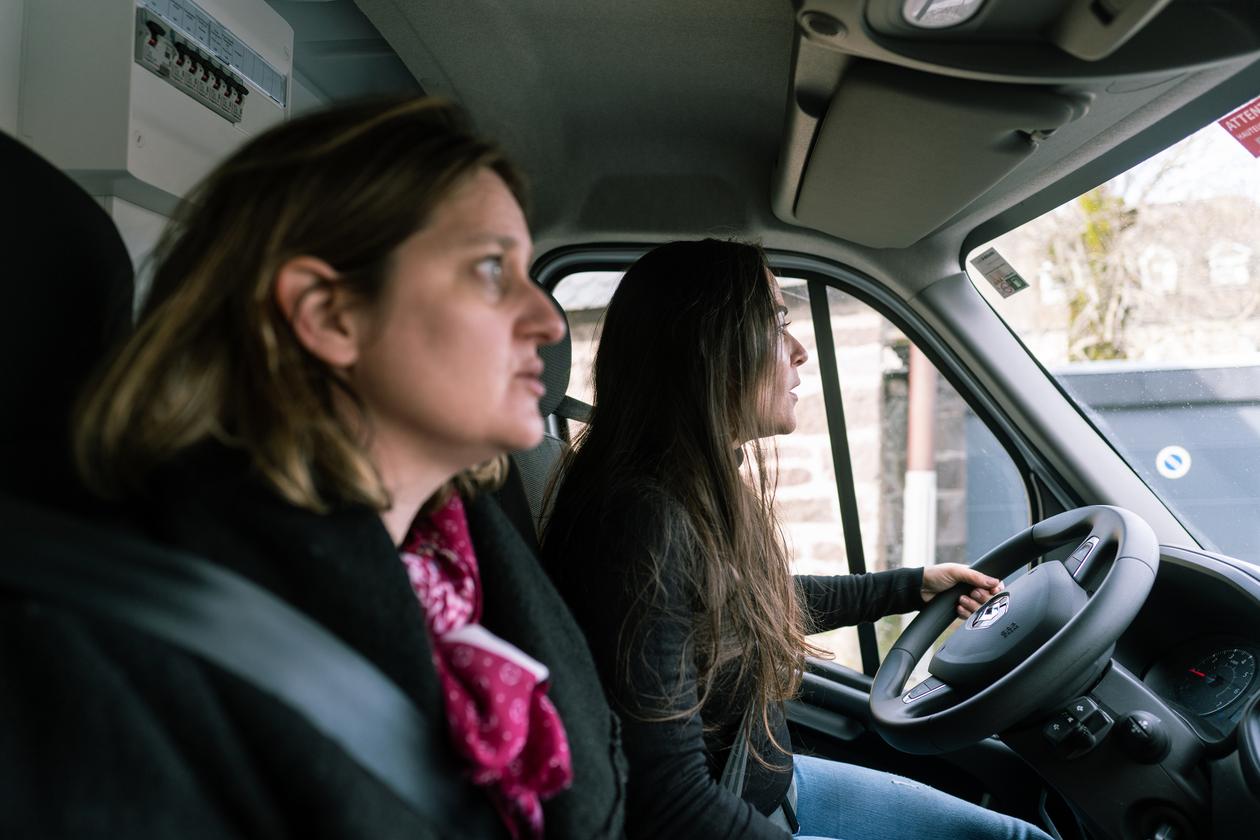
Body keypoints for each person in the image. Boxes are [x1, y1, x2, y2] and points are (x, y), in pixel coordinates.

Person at [0, 98, 624, 839]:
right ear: (329, 315)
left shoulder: (464, 570)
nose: (551, 323)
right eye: (492, 269)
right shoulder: (107, 656)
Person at [541, 239, 1053, 839]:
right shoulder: (640, 521)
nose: (799, 350)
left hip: (775, 786)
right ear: (706, 348)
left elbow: (738, 603)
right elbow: (672, 803)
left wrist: (910, 586)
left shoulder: (688, 486)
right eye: (776, 322)